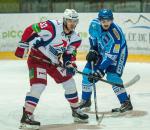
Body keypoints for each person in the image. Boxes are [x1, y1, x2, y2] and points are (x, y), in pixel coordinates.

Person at [15, 9, 89, 129]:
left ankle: (76, 110)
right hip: (36, 59)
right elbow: (31, 29)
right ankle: (27, 116)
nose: (72, 23)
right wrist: (23, 45)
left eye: (75, 21)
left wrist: (69, 64)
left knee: (69, 82)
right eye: (70, 20)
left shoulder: (76, 38)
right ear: (65, 20)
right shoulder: (52, 26)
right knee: (39, 86)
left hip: (53, 62)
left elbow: (68, 55)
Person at [80, 9, 133, 113]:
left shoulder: (116, 36)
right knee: (87, 73)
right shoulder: (94, 26)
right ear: (99, 20)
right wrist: (93, 50)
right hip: (103, 50)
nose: (106, 23)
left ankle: (125, 102)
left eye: (108, 20)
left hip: (118, 54)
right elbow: (93, 41)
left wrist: (100, 71)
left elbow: (111, 57)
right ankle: (85, 100)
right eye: (103, 21)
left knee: (112, 76)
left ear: (112, 20)